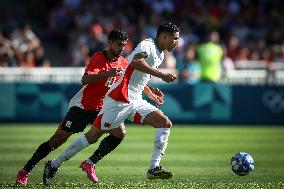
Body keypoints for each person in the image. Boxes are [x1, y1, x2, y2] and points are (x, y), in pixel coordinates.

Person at [43, 22, 180, 184]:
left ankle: (154, 168)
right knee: (92, 137)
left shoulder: (161, 54)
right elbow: (136, 62)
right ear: (164, 36)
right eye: (175, 38)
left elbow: (136, 74)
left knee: (164, 123)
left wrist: (149, 91)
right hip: (119, 97)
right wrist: (161, 75)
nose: (177, 42)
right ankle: (54, 164)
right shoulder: (147, 45)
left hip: (135, 99)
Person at [15, 29, 130, 186]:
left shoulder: (123, 62)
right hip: (83, 107)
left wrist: (148, 91)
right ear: (109, 42)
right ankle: (25, 170)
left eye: (123, 45)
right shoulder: (98, 58)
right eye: (118, 45)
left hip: (103, 109)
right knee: (56, 140)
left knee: (120, 133)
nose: (121, 49)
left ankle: (90, 163)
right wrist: (106, 74)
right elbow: (85, 79)